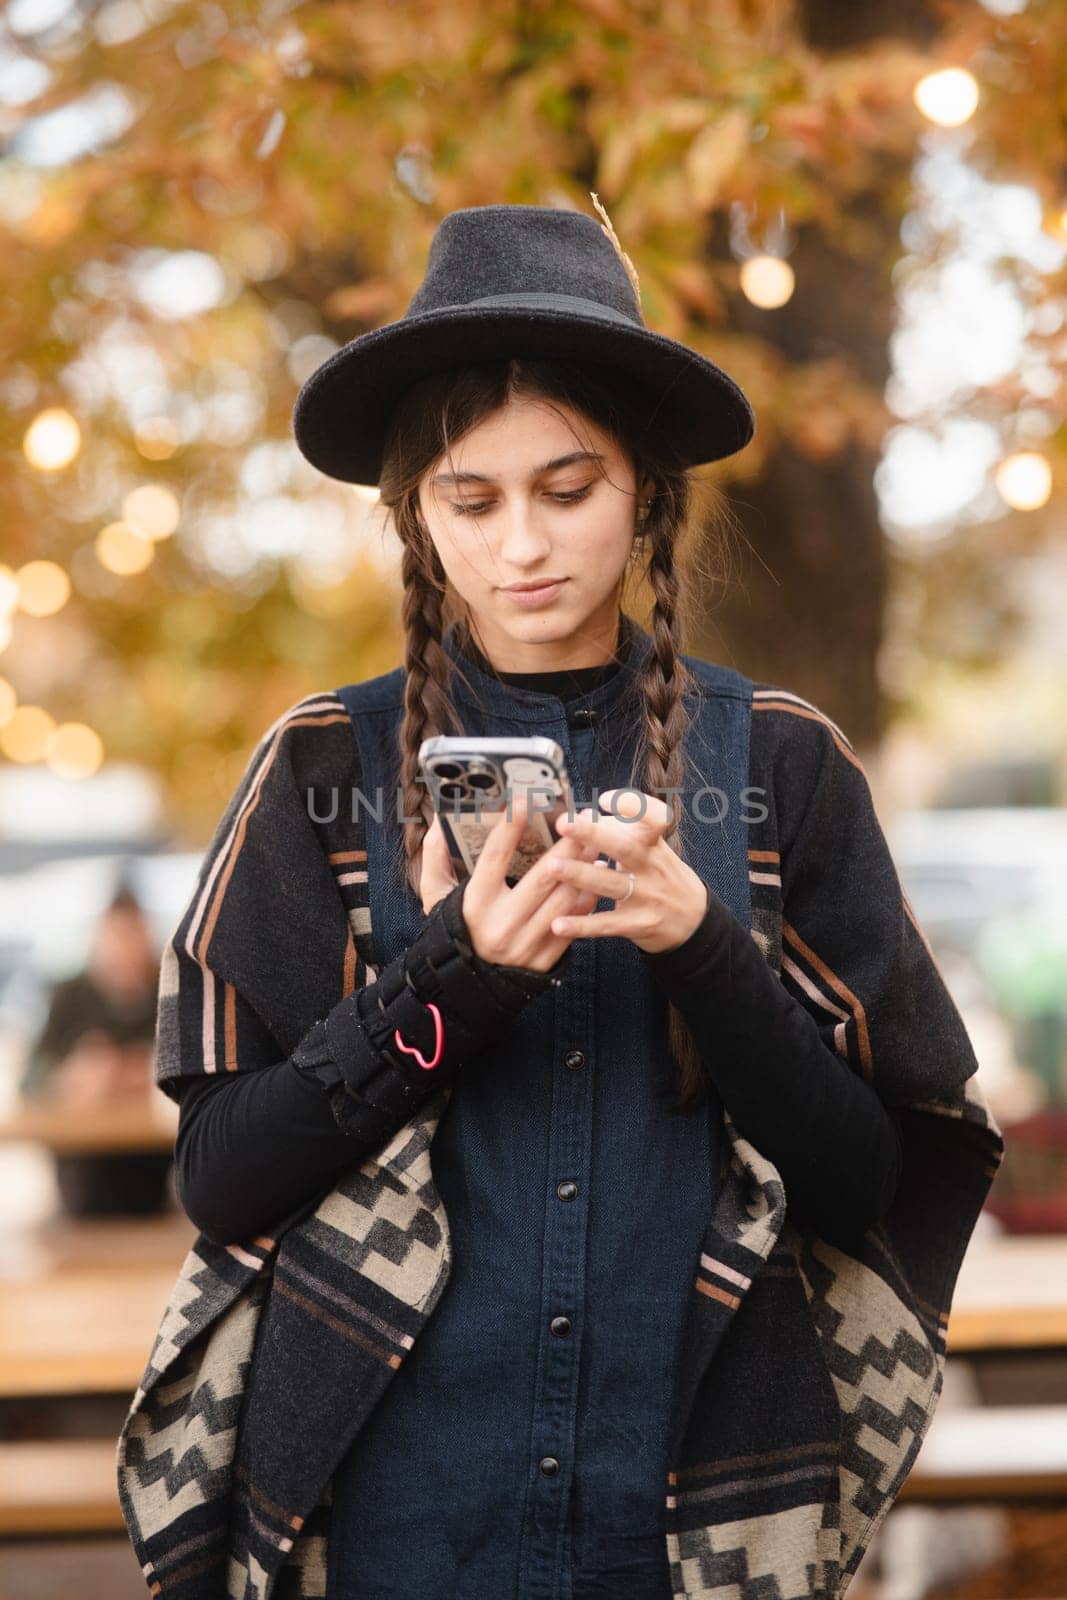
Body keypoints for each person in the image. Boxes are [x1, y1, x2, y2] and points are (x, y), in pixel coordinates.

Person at [117, 203, 1003, 1600]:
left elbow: (867, 1182)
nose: (519, 544)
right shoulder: (317, 769)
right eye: (470, 500)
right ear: (415, 513)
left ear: (645, 492)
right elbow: (221, 1178)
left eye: (567, 487)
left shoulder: (775, 763)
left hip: (701, 1505)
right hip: (391, 1505)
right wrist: (450, 980)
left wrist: (702, 947)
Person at [20, 874, 171, 1216]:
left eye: (133, 934)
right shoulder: (70, 995)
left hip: (151, 1169)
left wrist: (151, 1071)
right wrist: (70, 1076)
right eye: (116, 935)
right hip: (81, 1173)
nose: (125, 948)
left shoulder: (167, 991)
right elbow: (29, 1079)